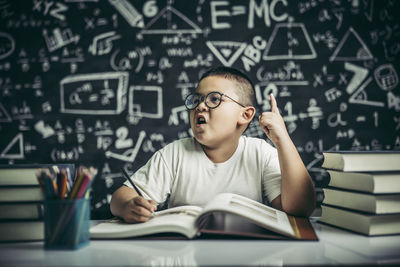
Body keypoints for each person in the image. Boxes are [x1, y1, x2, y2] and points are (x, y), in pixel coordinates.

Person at [110, 66, 316, 223]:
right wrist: (129, 205)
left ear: (245, 115)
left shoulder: (260, 153)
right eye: (196, 100)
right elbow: (119, 197)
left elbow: (299, 208)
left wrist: (283, 140)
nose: (200, 106)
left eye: (214, 99)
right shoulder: (175, 154)